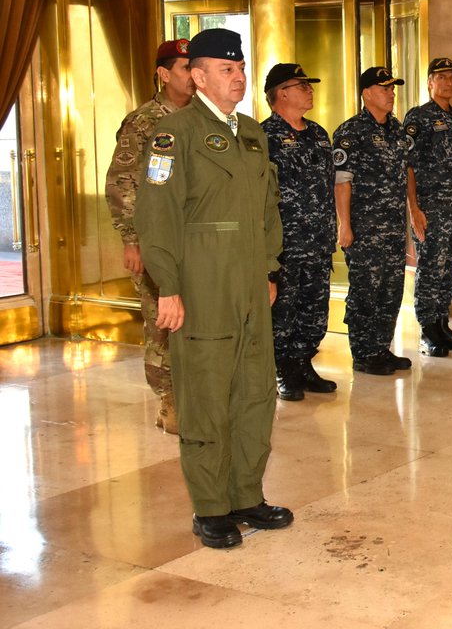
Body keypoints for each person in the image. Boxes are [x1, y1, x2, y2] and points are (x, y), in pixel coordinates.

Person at [134, 27, 292, 549]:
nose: (239, 76)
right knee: (205, 398)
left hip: (249, 285)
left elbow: (268, 210)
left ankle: (246, 493)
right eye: (226, 69)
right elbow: (156, 218)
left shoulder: (252, 132)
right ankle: (210, 507)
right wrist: (170, 288)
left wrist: (269, 270)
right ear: (197, 76)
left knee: (253, 393)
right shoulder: (171, 134)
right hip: (202, 286)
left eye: (241, 68)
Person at [104, 38, 194, 434]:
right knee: (162, 323)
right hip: (157, 239)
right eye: (183, 69)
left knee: (193, 321)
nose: (192, 77)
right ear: (163, 73)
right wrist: (132, 239)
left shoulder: (204, 119)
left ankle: (194, 397)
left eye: (195, 68)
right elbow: (124, 181)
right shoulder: (145, 121)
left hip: (196, 240)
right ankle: (169, 402)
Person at [260, 63, 337, 400]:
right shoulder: (263, 137)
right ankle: (283, 370)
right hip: (285, 245)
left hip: (318, 242)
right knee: (283, 312)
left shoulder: (319, 134)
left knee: (315, 309)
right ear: (282, 93)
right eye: (302, 85)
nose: (310, 90)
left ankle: (305, 364)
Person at [333, 67, 412, 375]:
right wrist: (345, 225)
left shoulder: (396, 129)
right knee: (366, 290)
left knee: (391, 290)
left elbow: (405, 174)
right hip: (364, 228)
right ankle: (363, 353)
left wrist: (411, 212)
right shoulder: (351, 132)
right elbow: (342, 181)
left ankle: (381, 348)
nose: (391, 93)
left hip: (392, 227)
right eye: (384, 88)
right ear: (367, 93)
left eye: (393, 88)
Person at [403, 57, 452, 357]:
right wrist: (414, 209)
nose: (448, 82)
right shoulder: (418, 118)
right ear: (430, 82)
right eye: (441, 77)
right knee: (430, 270)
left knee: (450, 270)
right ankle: (427, 330)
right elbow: (408, 166)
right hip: (430, 209)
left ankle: (443, 324)